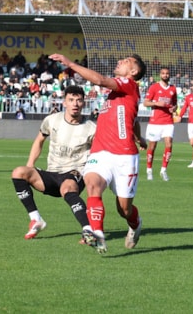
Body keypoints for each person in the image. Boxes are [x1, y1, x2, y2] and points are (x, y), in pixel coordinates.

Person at [48, 52, 147, 254]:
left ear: (134, 71)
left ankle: (135, 225)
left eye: (126, 61)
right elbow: (133, 119)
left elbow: (100, 80)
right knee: (93, 185)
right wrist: (139, 136)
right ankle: (98, 235)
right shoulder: (118, 94)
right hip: (100, 152)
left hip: (125, 156)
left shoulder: (128, 85)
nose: (120, 61)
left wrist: (70, 63)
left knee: (124, 209)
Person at [11, 85, 96, 240]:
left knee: (67, 187)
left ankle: (88, 230)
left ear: (84, 103)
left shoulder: (91, 128)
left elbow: (99, 153)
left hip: (74, 173)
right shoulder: (52, 120)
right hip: (52, 174)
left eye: (79, 100)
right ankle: (36, 219)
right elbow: (39, 140)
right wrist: (30, 165)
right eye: (71, 100)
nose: (75, 104)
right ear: (64, 102)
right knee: (19, 172)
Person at [143, 67, 178, 181]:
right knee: (152, 146)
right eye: (163, 73)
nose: (165, 75)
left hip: (168, 121)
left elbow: (175, 104)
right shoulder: (154, 87)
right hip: (155, 122)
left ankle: (163, 170)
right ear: (160, 75)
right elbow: (145, 102)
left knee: (169, 144)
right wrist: (157, 103)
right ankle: (149, 170)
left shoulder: (173, 89)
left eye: (167, 73)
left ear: (169, 75)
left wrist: (174, 108)